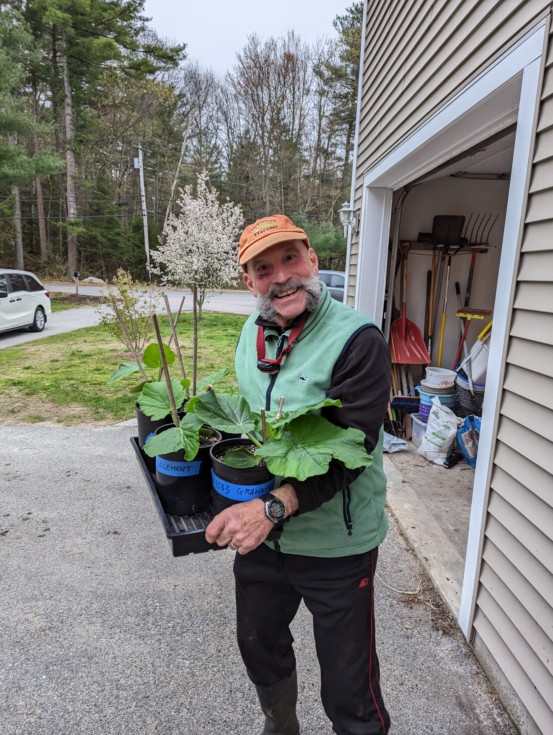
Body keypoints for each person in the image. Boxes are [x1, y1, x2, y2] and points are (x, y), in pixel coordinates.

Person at [206, 214, 391, 735]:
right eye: (264, 268)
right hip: (265, 538)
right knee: (258, 644)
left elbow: (350, 451)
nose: (282, 277)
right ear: (249, 282)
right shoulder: (252, 332)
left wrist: (272, 507)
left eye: (290, 258)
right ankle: (280, 722)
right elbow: (256, 427)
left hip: (337, 543)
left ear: (312, 258)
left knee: (349, 686)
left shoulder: (357, 339)